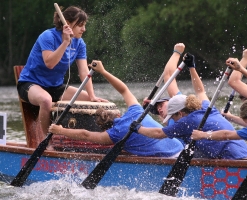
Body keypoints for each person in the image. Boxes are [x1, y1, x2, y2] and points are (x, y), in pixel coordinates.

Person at [49, 60, 184, 157]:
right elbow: (124, 89)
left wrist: (61, 130)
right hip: (181, 148)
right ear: (118, 115)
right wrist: (103, 71)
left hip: (171, 158)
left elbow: (86, 134)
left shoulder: (114, 134)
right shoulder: (135, 111)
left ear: (104, 128)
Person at [17, 6, 107, 150]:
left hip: (55, 87)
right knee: (46, 100)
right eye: (80, 25)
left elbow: (84, 72)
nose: (83, 29)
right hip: (30, 84)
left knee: (91, 103)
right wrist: (65, 42)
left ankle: (83, 143)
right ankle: (47, 142)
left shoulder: (80, 44)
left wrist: (92, 96)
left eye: (84, 25)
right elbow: (50, 63)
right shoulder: (48, 36)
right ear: (68, 23)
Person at [134, 54, 247, 159]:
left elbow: (159, 134)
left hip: (233, 158)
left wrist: (138, 128)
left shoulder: (184, 122)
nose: (172, 119)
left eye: (172, 117)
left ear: (180, 113)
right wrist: (192, 67)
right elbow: (200, 91)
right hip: (245, 152)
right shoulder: (206, 107)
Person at [145, 43, 185, 125]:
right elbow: (162, 118)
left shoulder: (181, 103)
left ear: (172, 101)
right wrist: (149, 106)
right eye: (158, 109)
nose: (159, 110)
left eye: (161, 105)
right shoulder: (170, 121)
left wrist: (177, 53)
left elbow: (169, 75)